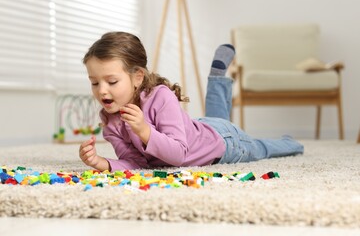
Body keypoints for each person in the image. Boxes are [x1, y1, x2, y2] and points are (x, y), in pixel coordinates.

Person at [79, 31, 304, 172]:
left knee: (260, 148)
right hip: (202, 128)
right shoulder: (111, 121)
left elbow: (178, 156)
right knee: (217, 119)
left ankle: (292, 143)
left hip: (225, 144)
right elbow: (137, 162)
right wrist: (103, 163)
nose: (102, 91)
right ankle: (217, 79)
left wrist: (144, 131)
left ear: (137, 77)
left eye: (111, 81)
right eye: (95, 83)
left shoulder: (160, 96)